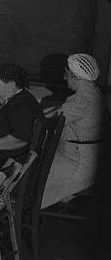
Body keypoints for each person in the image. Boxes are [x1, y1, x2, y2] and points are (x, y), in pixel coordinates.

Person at [42, 53, 105, 207]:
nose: (64, 78)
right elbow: (60, 112)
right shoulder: (94, 94)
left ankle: (25, 216)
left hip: (77, 165)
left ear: (75, 76)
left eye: (66, 74)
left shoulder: (82, 100)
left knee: (33, 183)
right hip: (83, 158)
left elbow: (53, 120)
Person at [0, 63, 43, 156]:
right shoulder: (18, 100)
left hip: (10, 160)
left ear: (12, 84)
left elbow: (20, 139)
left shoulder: (21, 105)